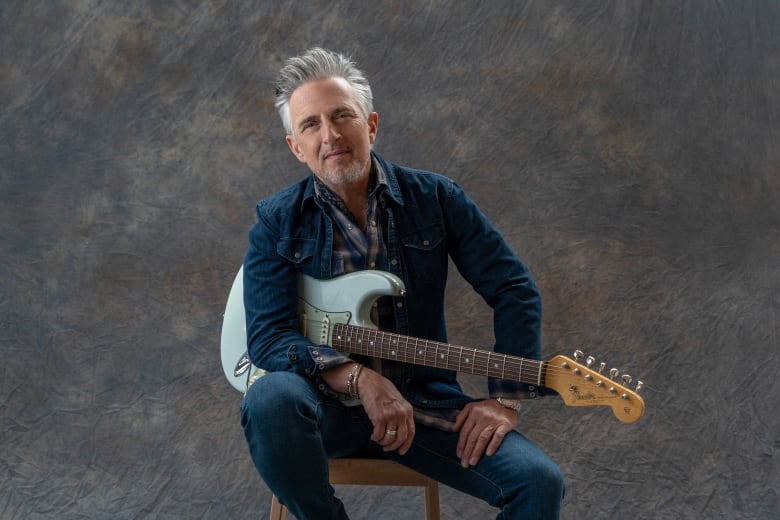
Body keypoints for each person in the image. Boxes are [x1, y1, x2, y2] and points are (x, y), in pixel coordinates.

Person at [240, 47, 564, 519]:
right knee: (269, 398)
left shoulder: (436, 198)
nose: (329, 135)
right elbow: (268, 337)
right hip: (324, 410)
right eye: (310, 124)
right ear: (296, 147)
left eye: (341, 116)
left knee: (539, 483)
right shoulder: (276, 222)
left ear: (370, 125)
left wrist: (504, 398)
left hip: (424, 406)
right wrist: (358, 378)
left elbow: (513, 288)